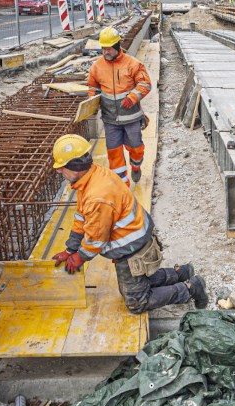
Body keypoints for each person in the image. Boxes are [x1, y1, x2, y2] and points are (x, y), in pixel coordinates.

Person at [50, 134, 208, 312]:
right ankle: (182, 273)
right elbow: (81, 217)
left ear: (75, 168)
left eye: (62, 168)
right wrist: (70, 249)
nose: (59, 171)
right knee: (131, 288)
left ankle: (191, 288)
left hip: (132, 248)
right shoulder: (90, 177)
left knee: (136, 302)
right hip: (135, 238)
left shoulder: (97, 196)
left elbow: (96, 240)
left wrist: (79, 257)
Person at [87, 26, 151, 186]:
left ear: (117, 46)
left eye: (108, 49)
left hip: (131, 119)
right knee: (114, 154)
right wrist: (92, 100)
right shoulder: (97, 66)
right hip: (110, 120)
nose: (105, 52)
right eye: (103, 48)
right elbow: (93, 86)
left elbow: (145, 83)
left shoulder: (133, 64)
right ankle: (122, 185)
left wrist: (133, 96)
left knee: (136, 148)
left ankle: (136, 167)